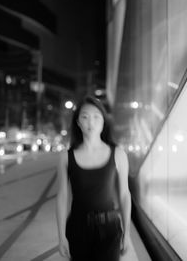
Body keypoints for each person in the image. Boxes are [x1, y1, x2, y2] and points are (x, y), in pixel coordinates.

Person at [56, 96, 132, 261]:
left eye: (96, 116)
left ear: (104, 121)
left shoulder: (118, 154)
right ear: (78, 122)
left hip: (110, 229)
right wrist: (61, 236)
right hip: (77, 229)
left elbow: (125, 195)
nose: (91, 122)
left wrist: (127, 234)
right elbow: (62, 197)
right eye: (85, 116)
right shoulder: (66, 157)